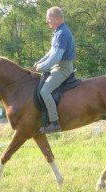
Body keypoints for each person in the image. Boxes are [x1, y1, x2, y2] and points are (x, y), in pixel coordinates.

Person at [34, 6, 76, 134]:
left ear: (57, 18)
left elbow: (57, 56)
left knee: (45, 91)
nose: (47, 21)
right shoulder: (58, 32)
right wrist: (40, 63)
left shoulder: (62, 33)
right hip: (56, 66)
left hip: (63, 68)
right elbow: (50, 53)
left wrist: (43, 67)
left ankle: (54, 122)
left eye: (49, 18)